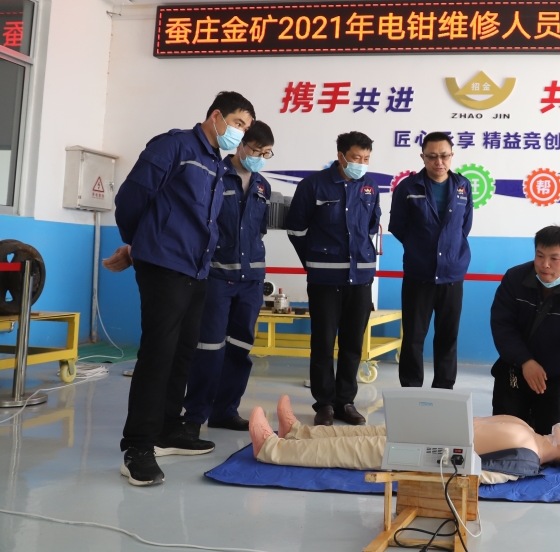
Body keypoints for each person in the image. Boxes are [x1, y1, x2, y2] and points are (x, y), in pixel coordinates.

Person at [106, 91, 255, 486]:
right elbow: (132, 198)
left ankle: (169, 429)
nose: (240, 134)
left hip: (197, 269)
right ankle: (138, 447)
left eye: (245, 128)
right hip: (165, 265)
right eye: (238, 124)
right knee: (158, 354)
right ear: (217, 116)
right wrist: (139, 245)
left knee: (183, 352)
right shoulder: (175, 146)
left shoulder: (216, 161)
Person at [248, 396, 560, 482]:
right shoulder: (531, 433)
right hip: (431, 427)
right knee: (365, 432)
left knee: (351, 449)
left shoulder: (528, 459)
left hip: (431, 451)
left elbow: (485, 475)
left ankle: (272, 448)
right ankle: (299, 432)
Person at [180, 121, 275, 432]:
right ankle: (195, 415)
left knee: (240, 348)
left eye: (266, 153)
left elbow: (258, 231)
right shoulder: (216, 175)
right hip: (217, 278)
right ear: (241, 145)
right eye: (256, 151)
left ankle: (225, 411)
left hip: (251, 281)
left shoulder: (262, 186)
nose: (259, 158)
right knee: (208, 348)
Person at [285, 132, 381, 427]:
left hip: (361, 278)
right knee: (323, 343)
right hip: (325, 280)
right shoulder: (313, 185)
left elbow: (372, 225)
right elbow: (295, 229)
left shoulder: (370, 187)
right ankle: (325, 404)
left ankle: (346, 402)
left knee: (353, 344)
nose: (361, 163)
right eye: (356, 158)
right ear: (341, 156)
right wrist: (315, 261)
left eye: (366, 158)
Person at [489, 226, 560, 435]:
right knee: (507, 438)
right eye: (540, 256)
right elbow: (502, 326)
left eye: (554, 258)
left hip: (554, 378)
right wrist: (525, 361)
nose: (545, 264)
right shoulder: (514, 279)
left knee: (554, 441)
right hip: (514, 373)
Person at [388, 132, 474, 389]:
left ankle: (444, 390)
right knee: (414, 338)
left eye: (444, 156)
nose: (439, 162)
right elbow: (398, 226)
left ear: (452, 155)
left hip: (452, 275)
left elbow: (464, 226)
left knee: (448, 337)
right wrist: (420, 247)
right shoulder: (408, 187)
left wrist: (449, 250)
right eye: (432, 156)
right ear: (423, 157)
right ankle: (411, 390)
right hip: (419, 275)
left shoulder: (463, 186)